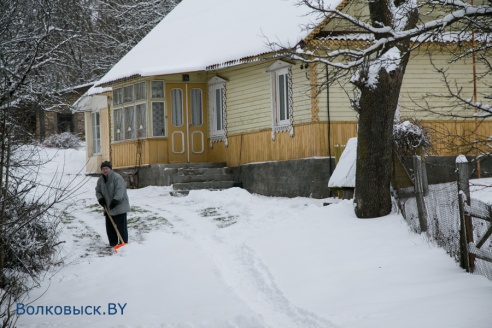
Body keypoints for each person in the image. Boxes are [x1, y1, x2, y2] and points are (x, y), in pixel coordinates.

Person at [95, 161, 130, 247]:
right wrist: (101, 199)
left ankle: (123, 243)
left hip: (119, 206)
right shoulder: (100, 180)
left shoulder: (117, 178)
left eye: (106, 168)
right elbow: (98, 191)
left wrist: (115, 200)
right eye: (103, 169)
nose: (105, 170)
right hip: (108, 207)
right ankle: (113, 243)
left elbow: (120, 190)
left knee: (121, 227)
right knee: (110, 227)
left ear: (110, 169)